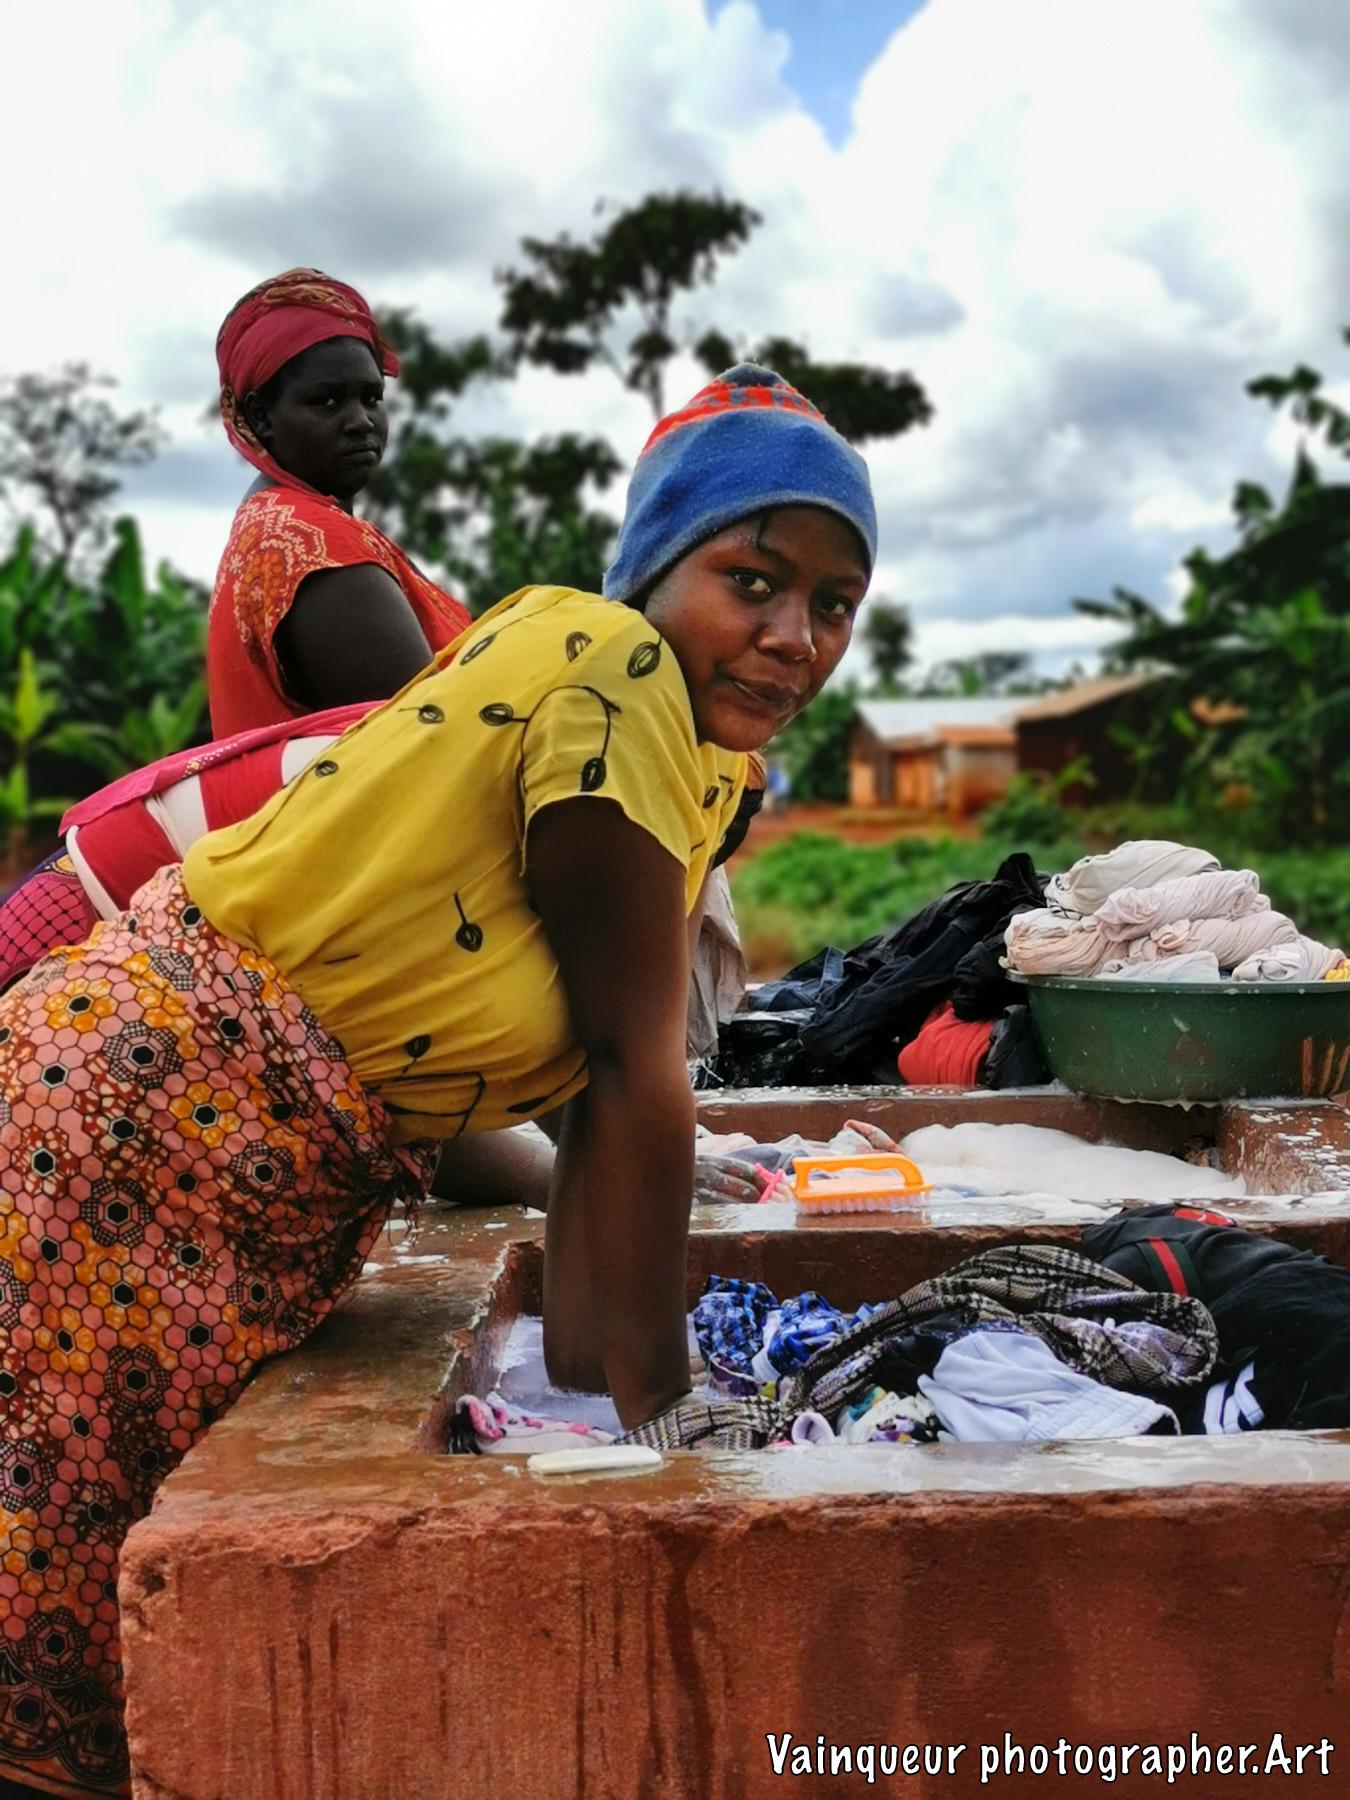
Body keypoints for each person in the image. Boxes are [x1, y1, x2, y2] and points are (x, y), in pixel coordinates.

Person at [0, 362, 874, 1793]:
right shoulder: (613, 669)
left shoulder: (698, 751)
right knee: (70, 1608)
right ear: (661, 565)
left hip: (252, 1147)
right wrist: (667, 1414)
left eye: (833, 604)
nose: (795, 637)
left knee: (107, 1579)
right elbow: (629, 1069)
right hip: (144, 1116)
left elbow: (555, 1063)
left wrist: (596, 1369)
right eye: (753, 581)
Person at [208, 267, 473, 735]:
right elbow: (432, 738)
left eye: (372, 398)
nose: (361, 421)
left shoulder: (270, 524)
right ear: (260, 417)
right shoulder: (312, 546)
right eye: (328, 402)